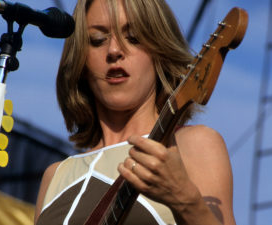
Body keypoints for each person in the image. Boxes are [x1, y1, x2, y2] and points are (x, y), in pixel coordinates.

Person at [34, 0, 236, 224]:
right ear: (80, 59)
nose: (113, 51)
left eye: (133, 38)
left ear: (160, 51)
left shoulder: (191, 144)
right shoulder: (54, 176)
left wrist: (185, 200)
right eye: (97, 40)